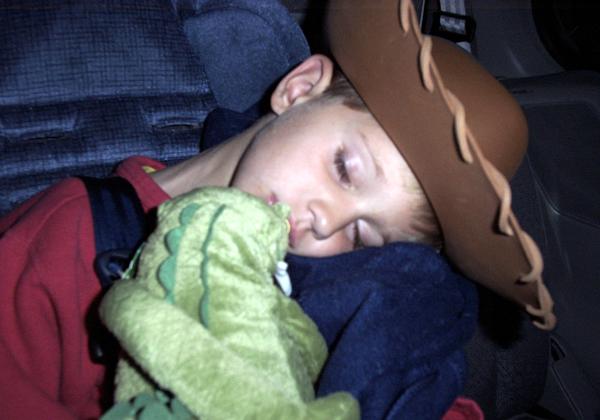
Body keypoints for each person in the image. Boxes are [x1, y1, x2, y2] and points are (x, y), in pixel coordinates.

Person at [0, 0, 555, 418]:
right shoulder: (72, 232)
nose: (325, 222)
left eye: (364, 235)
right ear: (300, 87)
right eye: (344, 169)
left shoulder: (334, 291)